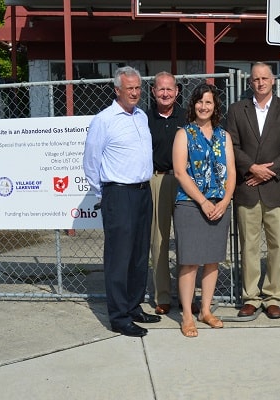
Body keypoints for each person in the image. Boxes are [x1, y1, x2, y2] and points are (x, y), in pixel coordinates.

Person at [83, 66, 161, 337]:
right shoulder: (104, 120)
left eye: (138, 88)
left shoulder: (141, 116)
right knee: (120, 257)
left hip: (142, 192)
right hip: (119, 193)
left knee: (140, 254)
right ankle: (118, 317)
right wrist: (106, 192)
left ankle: (133, 306)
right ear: (117, 90)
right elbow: (91, 162)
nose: (135, 93)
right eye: (130, 88)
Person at [226, 62, 280, 319]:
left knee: (278, 245)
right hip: (247, 188)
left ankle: (273, 297)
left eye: (264, 78)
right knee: (249, 246)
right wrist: (252, 168)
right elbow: (232, 146)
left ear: (273, 80)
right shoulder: (236, 110)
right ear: (250, 83)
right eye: (256, 79)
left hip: (277, 189)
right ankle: (250, 297)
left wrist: (268, 172)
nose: (260, 83)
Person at [172, 83, 236, 337]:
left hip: (220, 205)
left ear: (215, 106)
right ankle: (187, 315)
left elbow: (231, 172)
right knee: (189, 262)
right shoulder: (183, 134)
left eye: (208, 102)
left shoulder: (224, 136)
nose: (203, 106)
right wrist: (203, 201)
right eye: (199, 102)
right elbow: (179, 172)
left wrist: (224, 201)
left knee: (212, 260)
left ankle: (206, 311)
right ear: (193, 105)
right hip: (190, 204)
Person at [146, 71, 200, 316]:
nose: (165, 93)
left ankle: (187, 296)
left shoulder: (187, 119)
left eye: (170, 89)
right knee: (158, 241)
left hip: (184, 181)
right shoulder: (143, 119)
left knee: (187, 241)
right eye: (161, 89)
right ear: (154, 92)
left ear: (177, 92)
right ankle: (163, 296)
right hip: (156, 180)